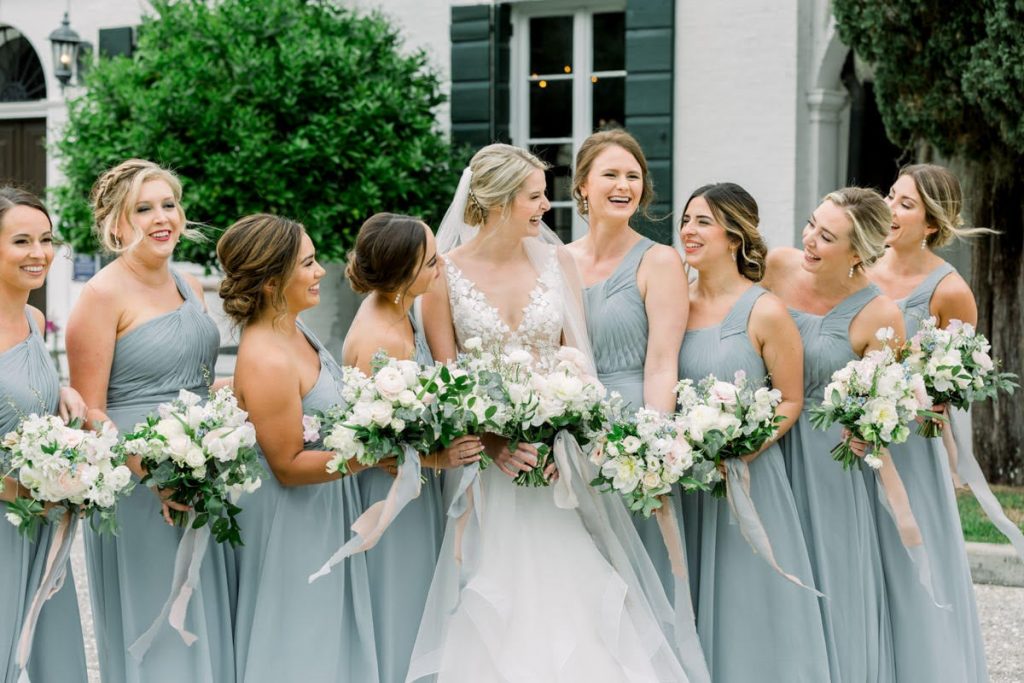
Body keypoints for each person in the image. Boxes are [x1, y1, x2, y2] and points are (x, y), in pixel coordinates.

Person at [410, 143, 708, 683]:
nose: (547, 206)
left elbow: (579, 366)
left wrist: (565, 438)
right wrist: (493, 443)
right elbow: (447, 380)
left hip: (556, 466)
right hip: (488, 469)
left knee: (575, 592)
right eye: (534, 196)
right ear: (499, 201)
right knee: (494, 594)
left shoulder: (557, 263)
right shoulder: (443, 275)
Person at [65, 160, 235, 683]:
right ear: (117, 225)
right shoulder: (99, 297)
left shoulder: (190, 286)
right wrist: (154, 477)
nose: (162, 218)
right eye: (144, 209)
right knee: (157, 619)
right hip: (138, 483)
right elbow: (91, 415)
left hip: (204, 469)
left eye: (168, 205)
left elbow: (201, 381)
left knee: (204, 610)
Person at [676, 182, 829, 681]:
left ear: (735, 235)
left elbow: (791, 399)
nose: (688, 231)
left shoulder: (764, 310)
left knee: (748, 610)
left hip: (746, 479)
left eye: (703, 221)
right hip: (681, 479)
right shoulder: (673, 300)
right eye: (686, 220)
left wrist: (740, 449)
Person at [220, 213, 381, 682]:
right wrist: (375, 451)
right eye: (308, 264)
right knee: (299, 641)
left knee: (326, 640)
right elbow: (288, 465)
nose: (320, 272)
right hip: (293, 519)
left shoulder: (294, 329)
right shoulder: (268, 355)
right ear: (271, 282)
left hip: (324, 504)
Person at [762, 187, 900, 681]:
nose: (809, 241)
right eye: (810, 225)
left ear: (859, 252)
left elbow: (885, 403)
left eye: (826, 236)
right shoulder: (776, 266)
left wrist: (871, 430)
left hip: (828, 460)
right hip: (766, 442)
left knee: (830, 577)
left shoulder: (881, 314)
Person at [342, 212, 480, 683]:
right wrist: (439, 457)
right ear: (404, 274)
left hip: (410, 490)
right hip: (391, 499)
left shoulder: (396, 311)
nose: (439, 267)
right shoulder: (382, 338)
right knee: (400, 603)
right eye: (430, 262)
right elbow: (373, 443)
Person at [865, 164, 988, 681]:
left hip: (911, 446)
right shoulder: (860, 267)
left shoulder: (950, 290)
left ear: (931, 222)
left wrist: (926, 393)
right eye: (891, 196)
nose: (891, 209)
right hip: (855, 438)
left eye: (906, 204)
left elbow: (955, 380)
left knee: (913, 566)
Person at [567, 130, 688, 596]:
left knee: (637, 576)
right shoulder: (557, 260)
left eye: (633, 176)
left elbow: (662, 363)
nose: (624, 185)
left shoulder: (659, 262)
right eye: (611, 174)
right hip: (572, 431)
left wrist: (652, 450)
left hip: (632, 433)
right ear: (582, 187)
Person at [0, 187, 88, 682]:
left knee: (55, 657)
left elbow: (21, 394)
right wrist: (21, 491)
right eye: (21, 241)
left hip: (40, 517)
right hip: (10, 511)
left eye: (46, 239)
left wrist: (65, 392)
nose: (39, 254)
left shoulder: (35, 320)